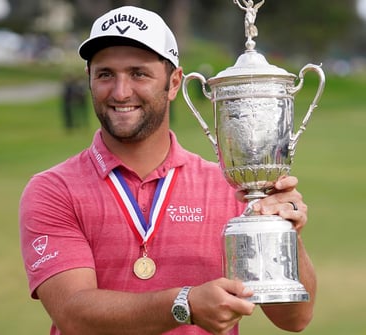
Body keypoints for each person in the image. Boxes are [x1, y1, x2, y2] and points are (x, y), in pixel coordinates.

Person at [19, 6, 316, 335]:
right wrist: (185, 304)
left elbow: (294, 319)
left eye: (138, 73)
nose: (120, 92)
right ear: (89, 79)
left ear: (174, 83)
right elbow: (74, 314)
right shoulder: (53, 189)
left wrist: (285, 233)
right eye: (105, 74)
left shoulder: (228, 187)